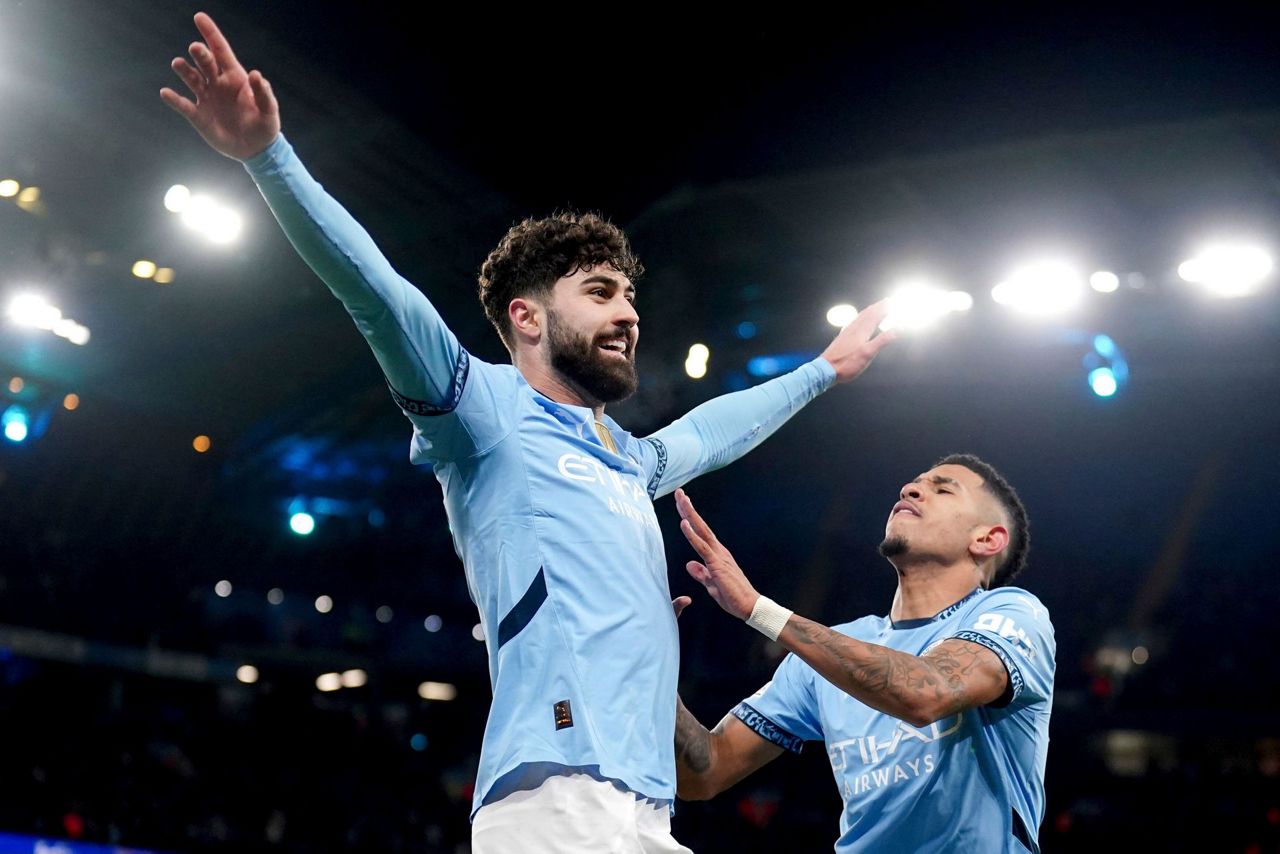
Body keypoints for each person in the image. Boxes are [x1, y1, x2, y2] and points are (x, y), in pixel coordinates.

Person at [160, 13, 896, 851]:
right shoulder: (484, 413)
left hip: (645, 804)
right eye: (601, 293)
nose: (629, 314)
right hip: (554, 796)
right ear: (528, 316)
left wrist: (824, 369)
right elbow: (379, 297)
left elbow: (711, 433)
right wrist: (269, 158)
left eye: (630, 297)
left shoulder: (629, 460)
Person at [671, 454, 1053, 853]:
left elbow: (926, 692)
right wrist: (652, 666)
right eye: (915, 483)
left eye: (943, 490)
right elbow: (705, 773)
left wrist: (760, 610)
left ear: (987, 539)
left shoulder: (1013, 615)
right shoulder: (831, 651)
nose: (910, 489)